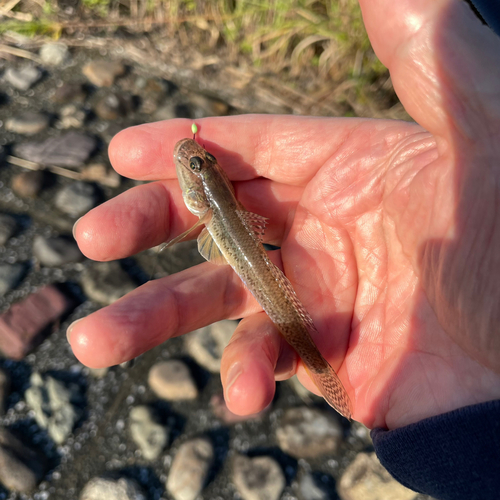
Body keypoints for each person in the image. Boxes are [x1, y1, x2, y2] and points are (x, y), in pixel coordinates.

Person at [67, 0, 500, 498]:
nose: (193, 159)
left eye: (200, 162)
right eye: (198, 164)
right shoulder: (212, 200)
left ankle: (317, 360)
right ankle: (317, 359)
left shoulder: (207, 203)